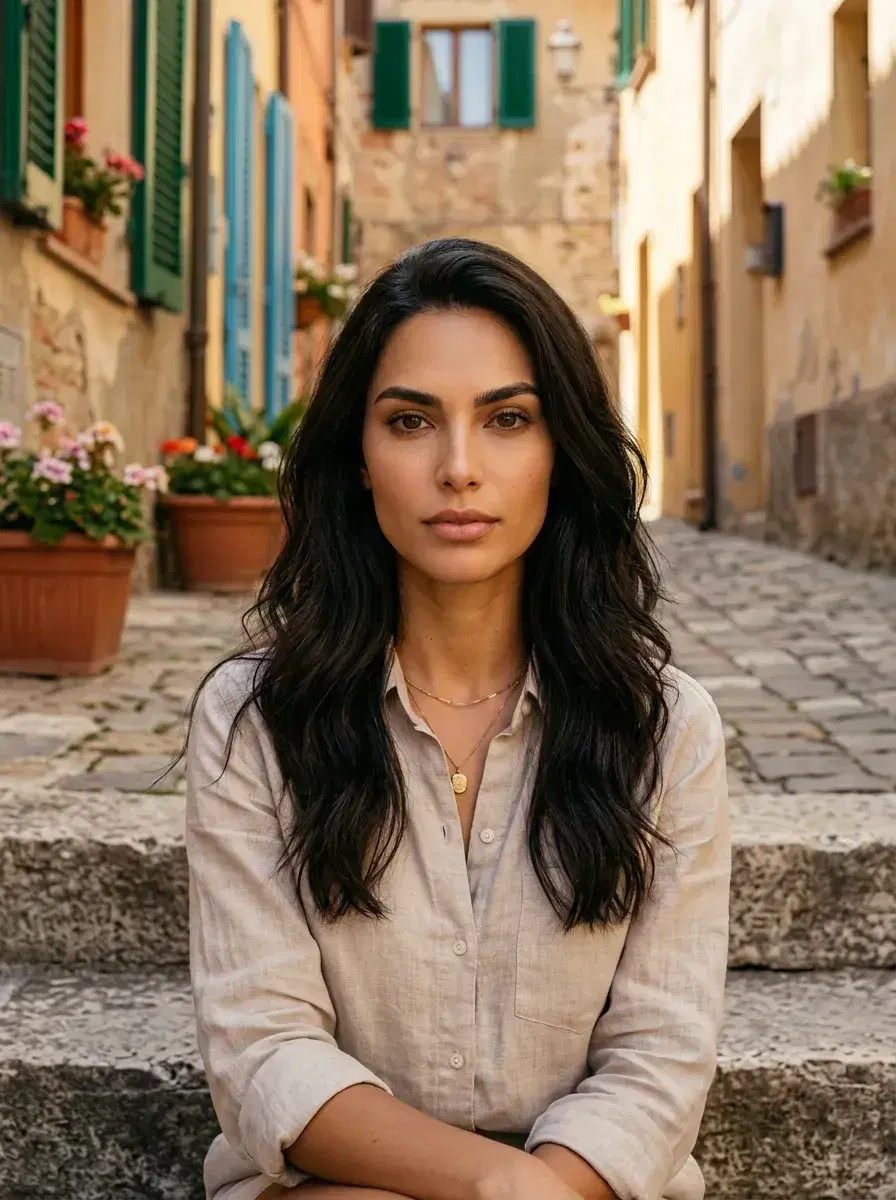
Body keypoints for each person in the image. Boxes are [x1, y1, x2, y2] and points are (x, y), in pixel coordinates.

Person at [186, 238, 731, 1200]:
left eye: (508, 418)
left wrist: (545, 1189)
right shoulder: (255, 722)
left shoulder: (666, 730)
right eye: (410, 421)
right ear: (357, 455)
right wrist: (500, 1188)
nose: (459, 468)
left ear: (562, 451)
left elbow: (660, 1059)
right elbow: (265, 1053)